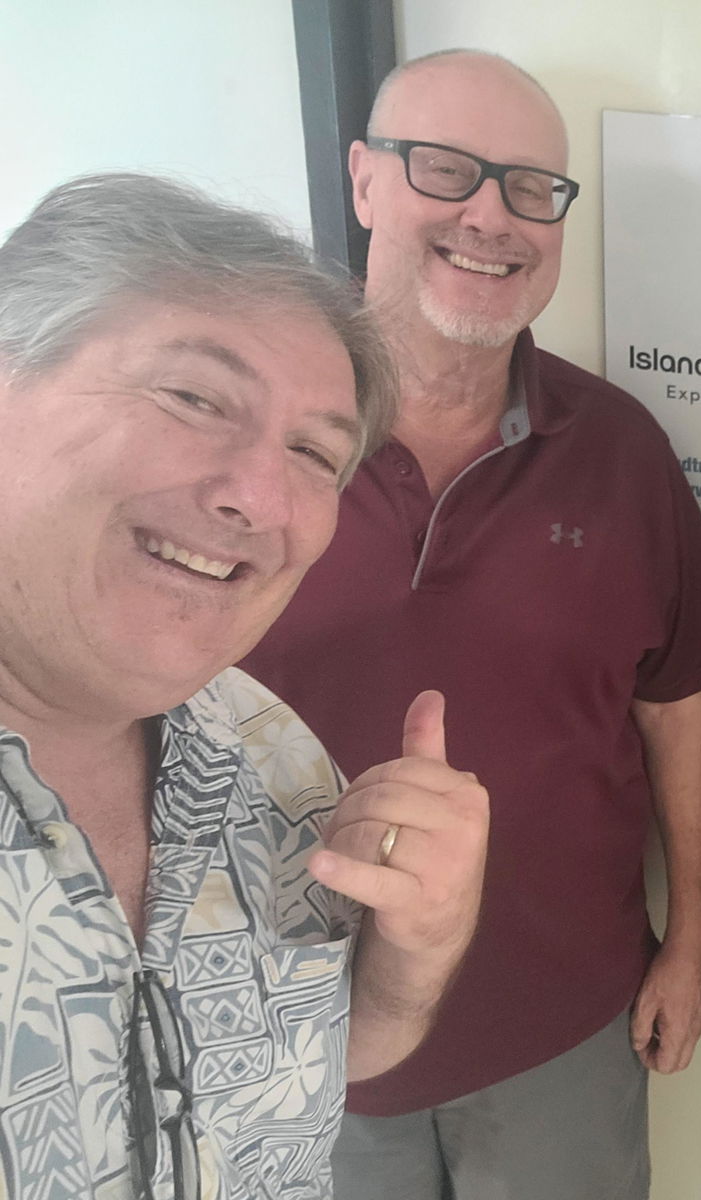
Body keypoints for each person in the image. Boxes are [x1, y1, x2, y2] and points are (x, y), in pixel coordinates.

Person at [241, 49, 701, 1199]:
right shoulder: (249, 440)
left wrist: (693, 936)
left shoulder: (619, 448)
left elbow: (675, 700)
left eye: (531, 186)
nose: (491, 215)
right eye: (446, 169)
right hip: (294, 1034)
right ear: (365, 182)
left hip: (561, 1033)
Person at [0, 172, 489, 1200]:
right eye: (193, 396)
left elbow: (307, 1061)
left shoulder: (271, 754)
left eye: (315, 453)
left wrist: (415, 954)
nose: (260, 498)